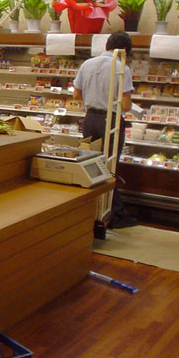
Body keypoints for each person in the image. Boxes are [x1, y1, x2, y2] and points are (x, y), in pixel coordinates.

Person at [72, 31, 138, 229]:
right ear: (125, 49)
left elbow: (76, 95)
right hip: (110, 121)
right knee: (109, 167)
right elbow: (126, 105)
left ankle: (91, 211)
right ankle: (114, 214)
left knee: (92, 164)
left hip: (90, 119)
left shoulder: (87, 64)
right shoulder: (122, 67)